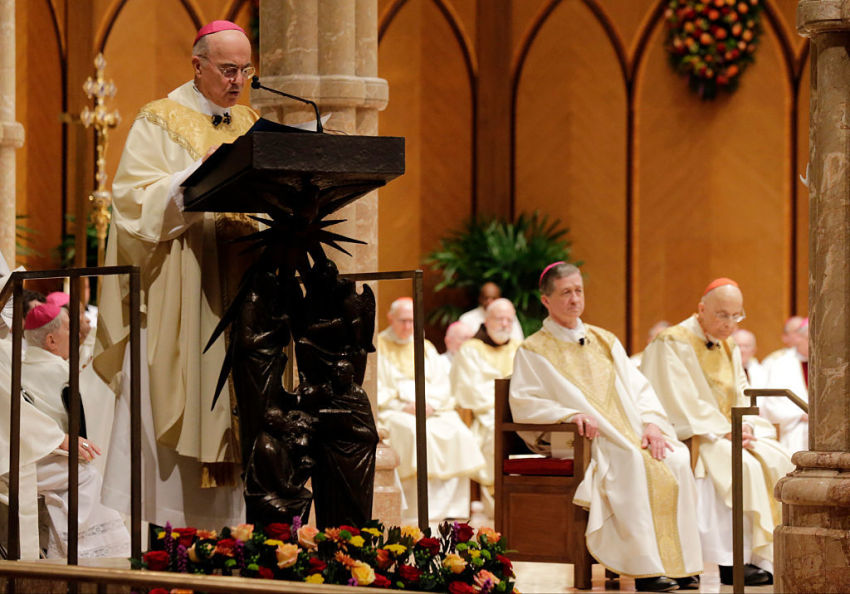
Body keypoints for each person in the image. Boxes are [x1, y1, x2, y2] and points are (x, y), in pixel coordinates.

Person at [93, 20, 260, 527]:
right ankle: (173, 533)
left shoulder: (251, 121)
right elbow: (131, 202)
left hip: (240, 283)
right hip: (184, 286)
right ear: (198, 66)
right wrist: (193, 176)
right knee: (179, 397)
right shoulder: (158, 119)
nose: (237, 81)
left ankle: (233, 537)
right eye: (228, 70)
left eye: (246, 71)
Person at [510, 263, 702, 592]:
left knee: (676, 457)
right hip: (573, 437)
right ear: (546, 300)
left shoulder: (605, 340)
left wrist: (653, 424)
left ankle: (678, 564)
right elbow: (526, 402)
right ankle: (644, 569)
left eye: (578, 291)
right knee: (627, 458)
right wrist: (568, 415)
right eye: (565, 293)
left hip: (627, 431)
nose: (574, 299)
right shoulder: (532, 350)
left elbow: (641, 390)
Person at [641, 278, 794, 586]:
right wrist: (726, 430)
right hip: (693, 433)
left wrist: (745, 425)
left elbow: (740, 389)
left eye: (737, 315)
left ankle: (759, 558)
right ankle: (731, 560)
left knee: (781, 459)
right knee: (743, 466)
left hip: (728, 430)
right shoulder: (671, 342)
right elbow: (679, 398)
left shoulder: (729, 344)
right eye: (722, 315)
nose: (730, 324)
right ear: (701, 309)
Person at [19, 302, 130, 559]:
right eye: (69, 329)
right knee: (84, 474)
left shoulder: (19, 367)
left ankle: (63, 552)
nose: (77, 335)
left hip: (28, 454)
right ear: (51, 341)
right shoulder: (60, 372)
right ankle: (98, 554)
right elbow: (79, 429)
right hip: (30, 463)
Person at [377, 297, 485, 522]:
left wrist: (432, 404)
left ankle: (453, 509)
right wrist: (403, 406)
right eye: (403, 321)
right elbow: (378, 387)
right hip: (396, 410)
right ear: (390, 319)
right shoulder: (380, 346)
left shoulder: (424, 346)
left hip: (430, 408)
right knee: (415, 432)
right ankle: (416, 510)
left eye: (412, 321)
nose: (408, 327)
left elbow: (442, 383)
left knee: (459, 431)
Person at [450, 298, 521, 496]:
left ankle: (526, 492)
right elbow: (469, 391)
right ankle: (498, 494)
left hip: (519, 409)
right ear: (486, 320)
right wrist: (505, 404)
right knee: (496, 434)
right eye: (500, 319)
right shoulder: (470, 349)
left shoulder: (519, 348)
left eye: (509, 320)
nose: (505, 324)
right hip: (485, 413)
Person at [761, 319, 809, 452]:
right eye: (809, 338)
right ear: (799, 338)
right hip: (794, 428)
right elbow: (772, 401)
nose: (813, 343)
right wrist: (800, 415)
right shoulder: (780, 363)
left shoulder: (829, 363)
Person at [458, 282, 524, 342]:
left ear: (499, 298)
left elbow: (518, 340)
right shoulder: (467, 318)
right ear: (480, 298)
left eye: (493, 298)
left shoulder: (508, 316)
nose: (489, 302)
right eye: (486, 298)